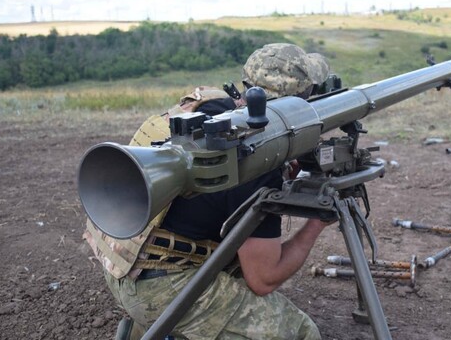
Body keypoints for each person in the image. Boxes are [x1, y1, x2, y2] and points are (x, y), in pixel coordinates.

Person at [83, 43, 333, 340]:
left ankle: (149, 326)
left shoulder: (206, 108)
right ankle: (162, 324)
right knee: (301, 333)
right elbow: (264, 279)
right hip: (157, 289)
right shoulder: (256, 158)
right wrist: (316, 223)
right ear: (299, 103)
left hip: (120, 263)